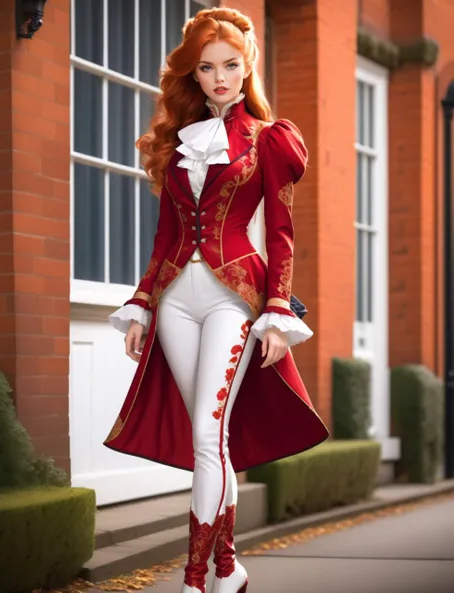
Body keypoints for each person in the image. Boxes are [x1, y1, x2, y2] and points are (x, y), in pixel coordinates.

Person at [105, 7, 329, 593]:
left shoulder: (269, 140)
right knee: (211, 440)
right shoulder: (178, 142)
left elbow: (279, 233)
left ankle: (195, 579)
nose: (220, 77)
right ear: (195, 76)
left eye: (230, 65)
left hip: (236, 297)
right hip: (177, 298)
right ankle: (229, 570)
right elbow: (164, 237)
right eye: (207, 68)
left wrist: (278, 314)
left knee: (208, 435)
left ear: (247, 65)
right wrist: (143, 304)